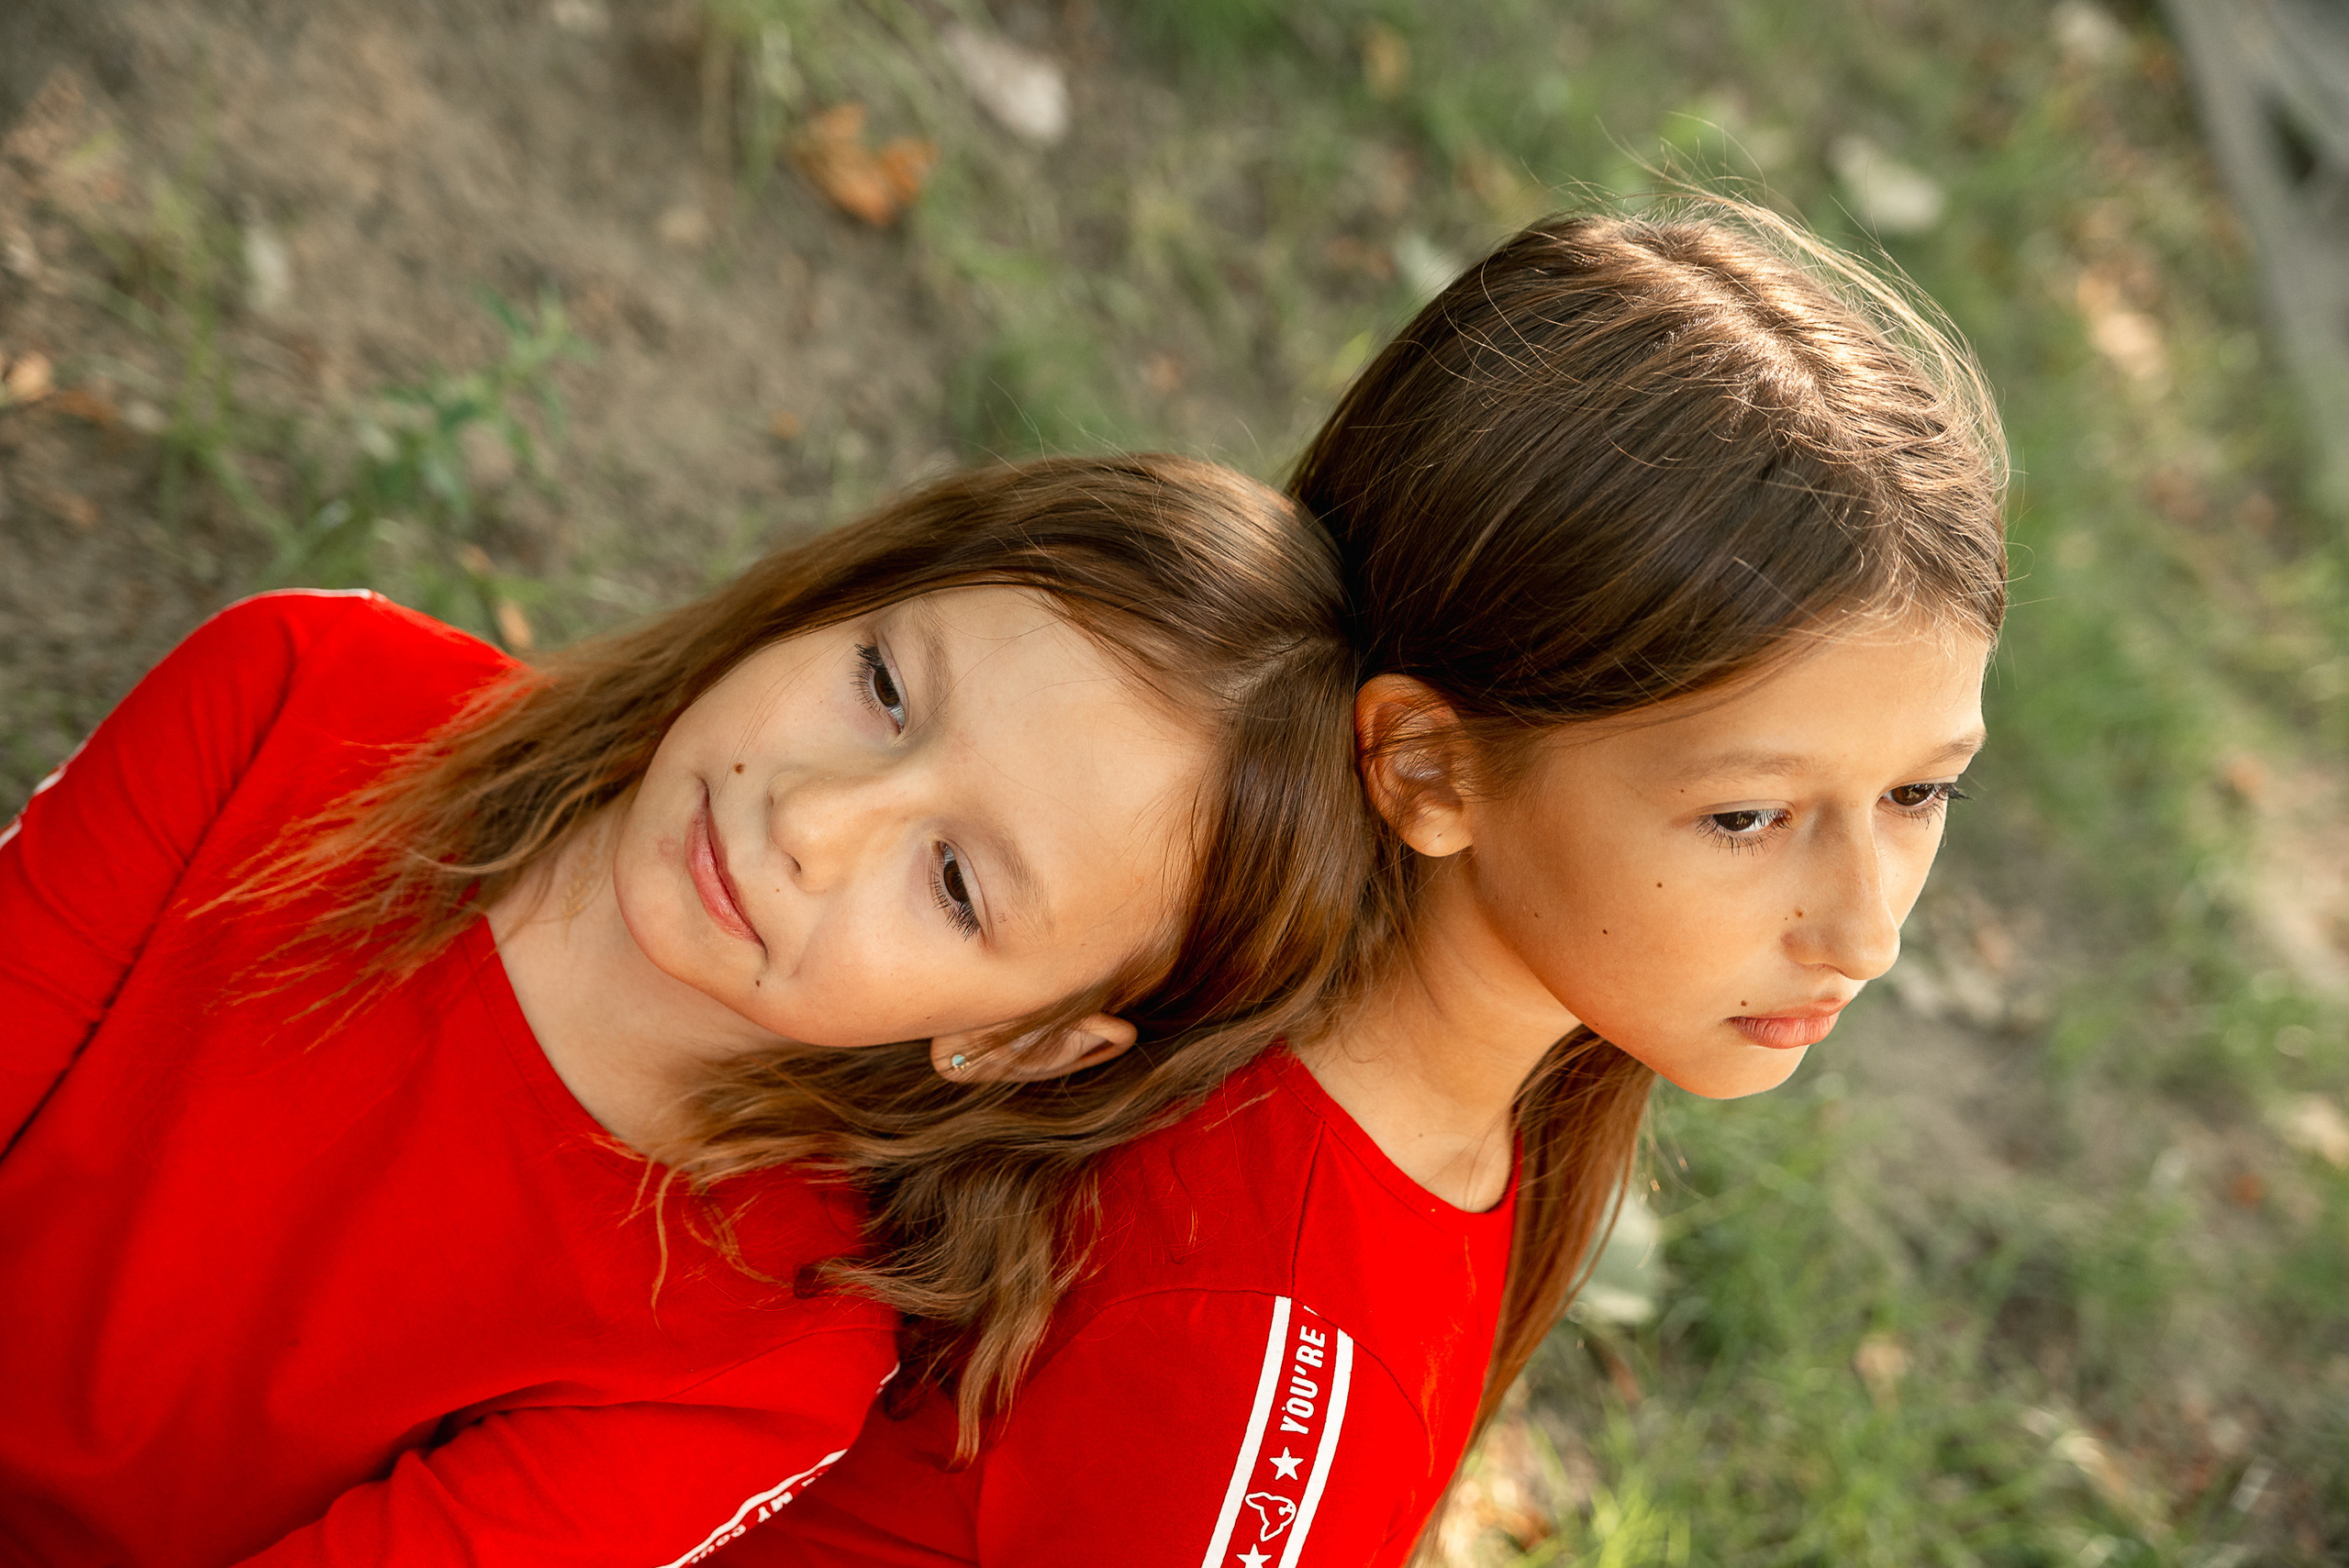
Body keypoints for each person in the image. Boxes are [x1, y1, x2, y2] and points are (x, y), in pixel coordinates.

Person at [733, 200, 2009, 1565]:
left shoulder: (1449, 1100)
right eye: (1747, 815)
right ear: (1428, 768)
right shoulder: (1254, 1333)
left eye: (1918, 793)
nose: (1866, 931)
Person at [0, 455, 1372, 1567]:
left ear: (1017, 1041)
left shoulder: (749, 1367)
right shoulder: (311, 692)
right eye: (885, 687)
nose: (815, 819)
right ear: (839, 591)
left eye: (955, 883)